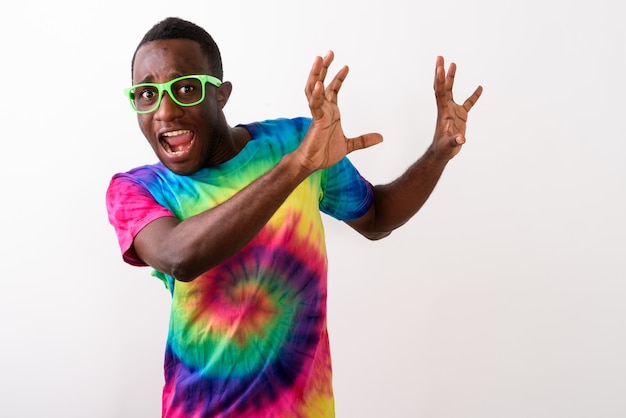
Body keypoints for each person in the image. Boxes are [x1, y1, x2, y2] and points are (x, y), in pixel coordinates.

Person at [106, 16, 482, 418]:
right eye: (146, 94)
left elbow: (376, 218)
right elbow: (179, 256)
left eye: (185, 89)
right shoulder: (136, 189)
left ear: (220, 95)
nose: (165, 110)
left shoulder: (296, 141)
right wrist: (297, 166)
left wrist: (439, 153)